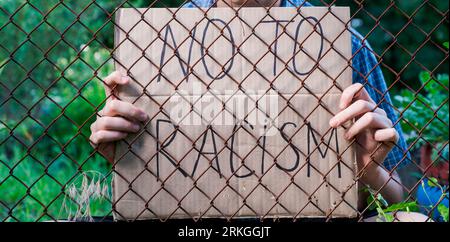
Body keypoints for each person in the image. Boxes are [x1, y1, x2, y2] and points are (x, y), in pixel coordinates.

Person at [89, 0, 429, 221]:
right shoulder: (159, 37)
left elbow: (406, 196)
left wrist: (367, 169)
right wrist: (125, 149)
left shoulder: (338, 42)